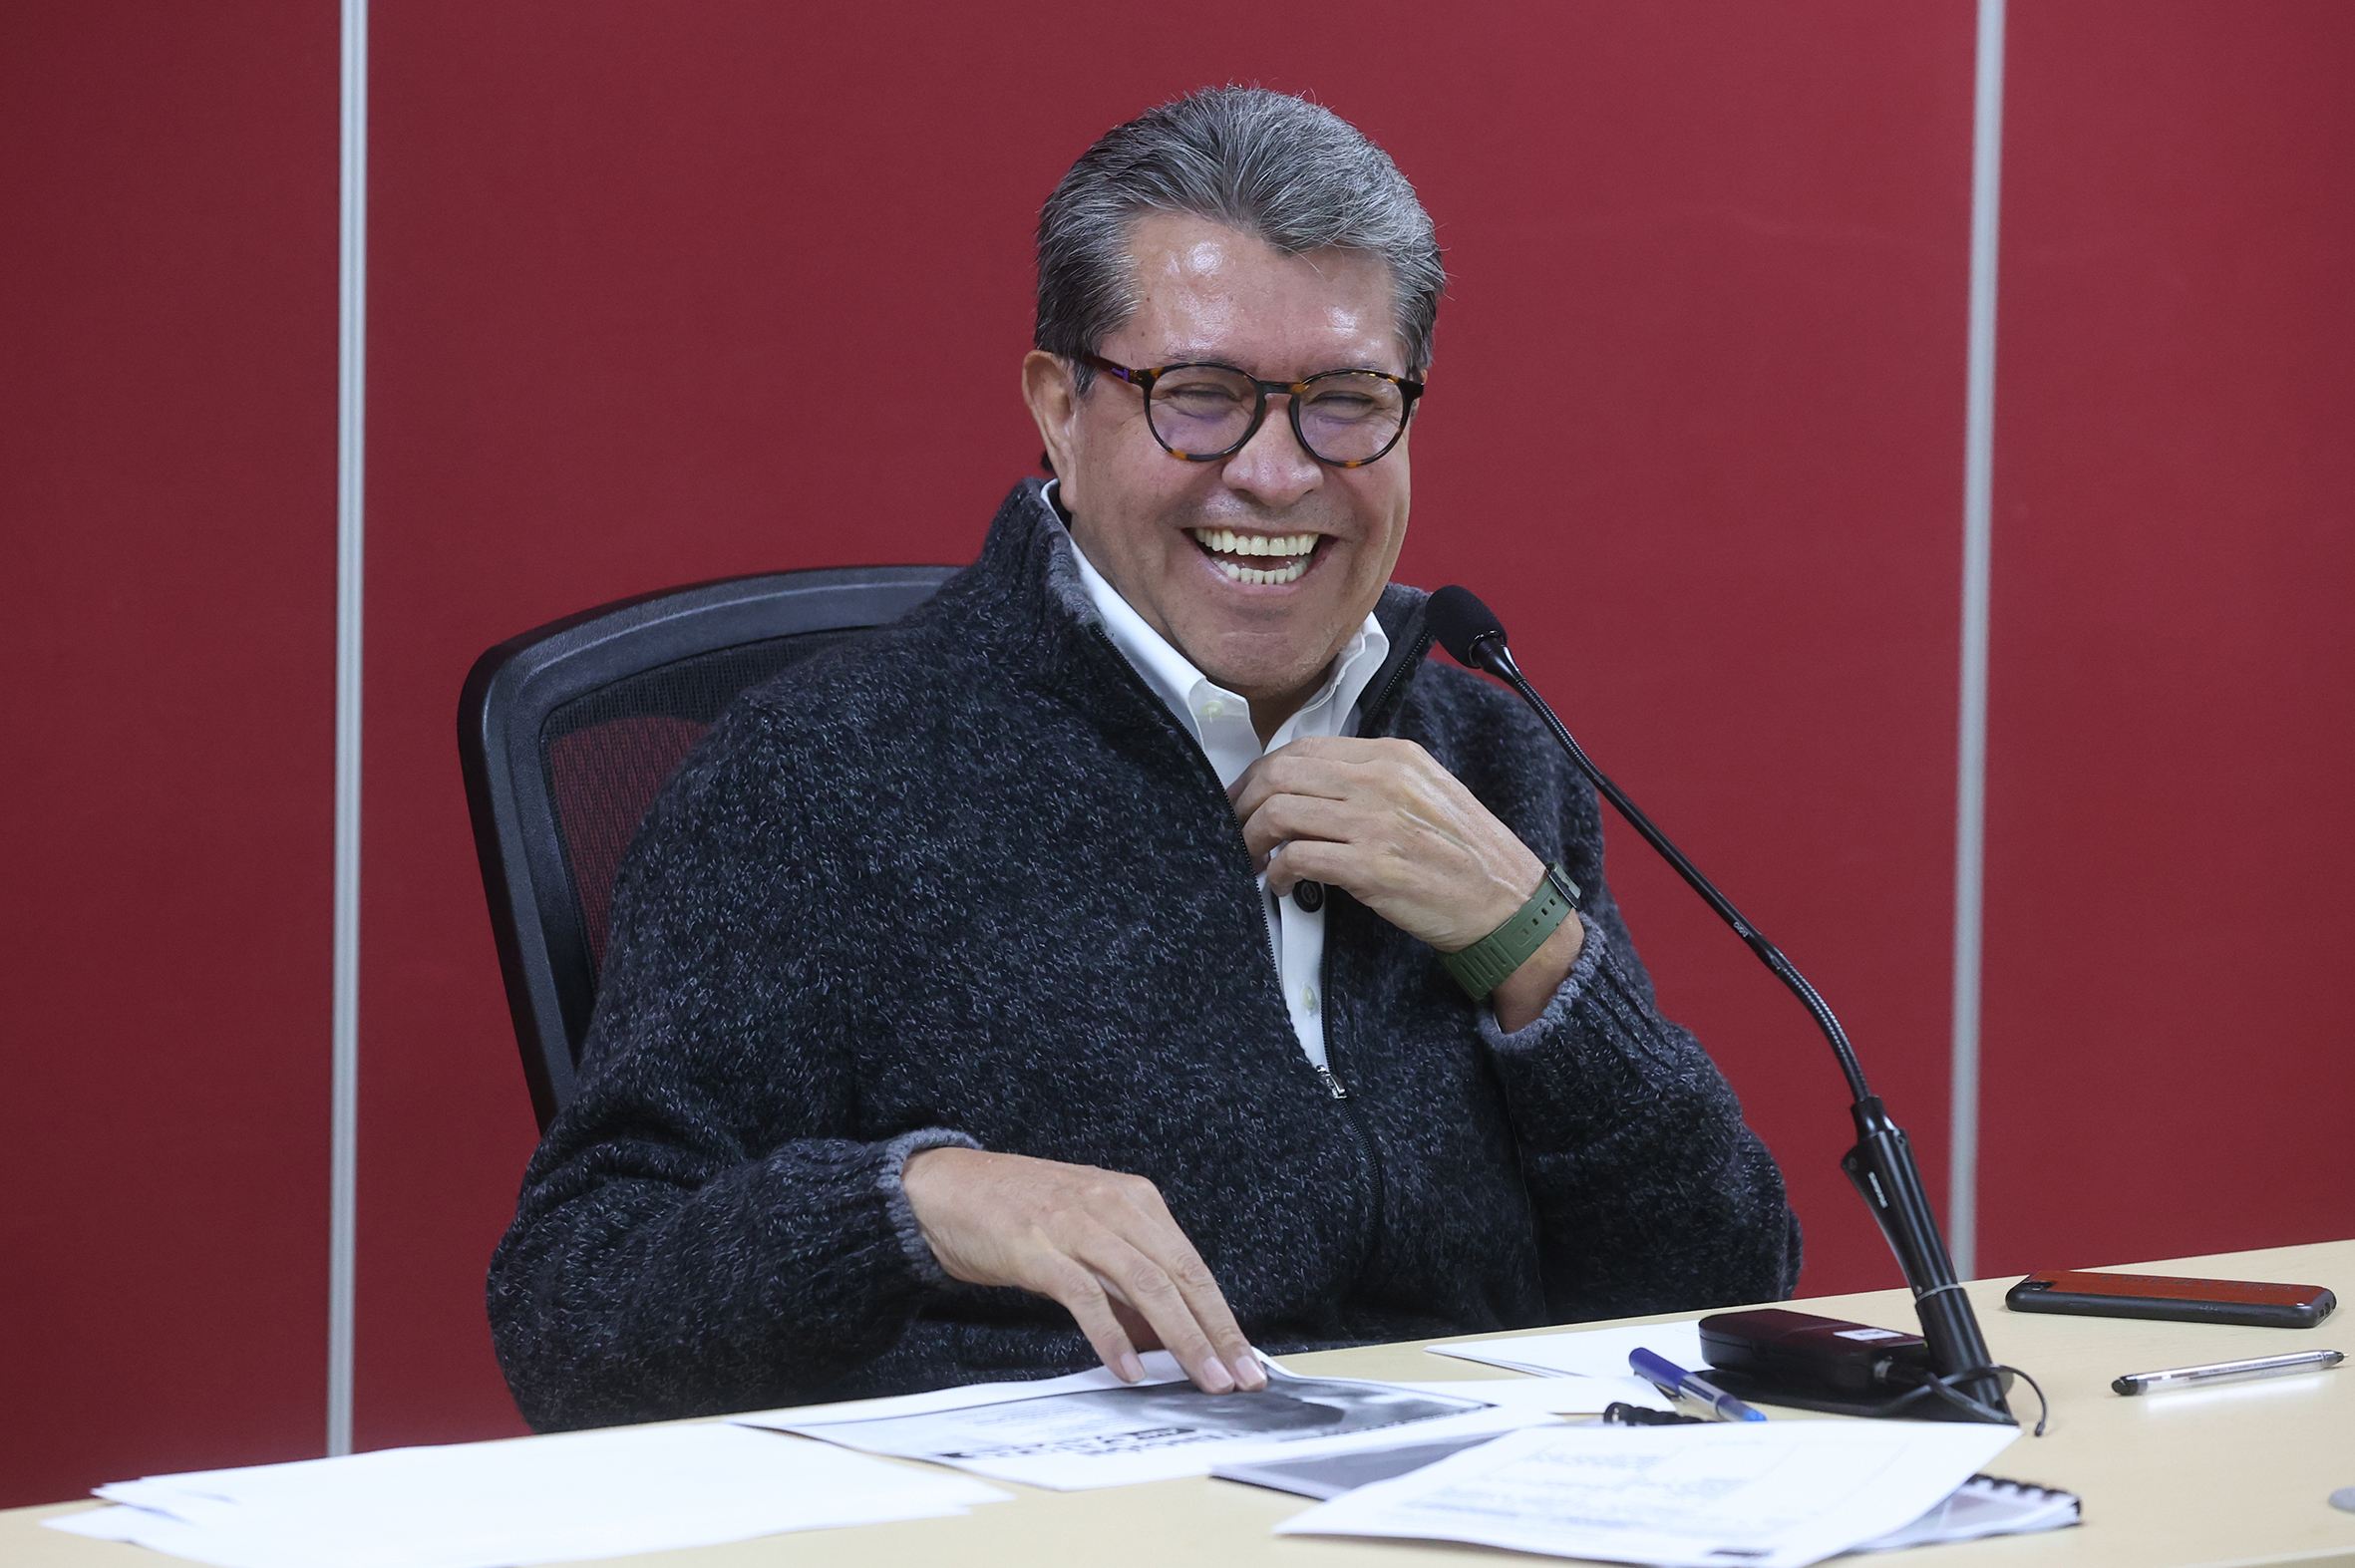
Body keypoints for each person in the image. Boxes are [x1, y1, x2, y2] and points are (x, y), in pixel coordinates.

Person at [488, 86, 1799, 1433]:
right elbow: (574, 1320)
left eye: (1347, 402)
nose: (1277, 474)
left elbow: (1715, 1298)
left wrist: (1538, 954)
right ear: (1060, 409)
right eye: (1202, 398)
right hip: (1035, 1516)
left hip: (1473, 1499)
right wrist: (912, 1206)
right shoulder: (819, 773)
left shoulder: (1487, 758)